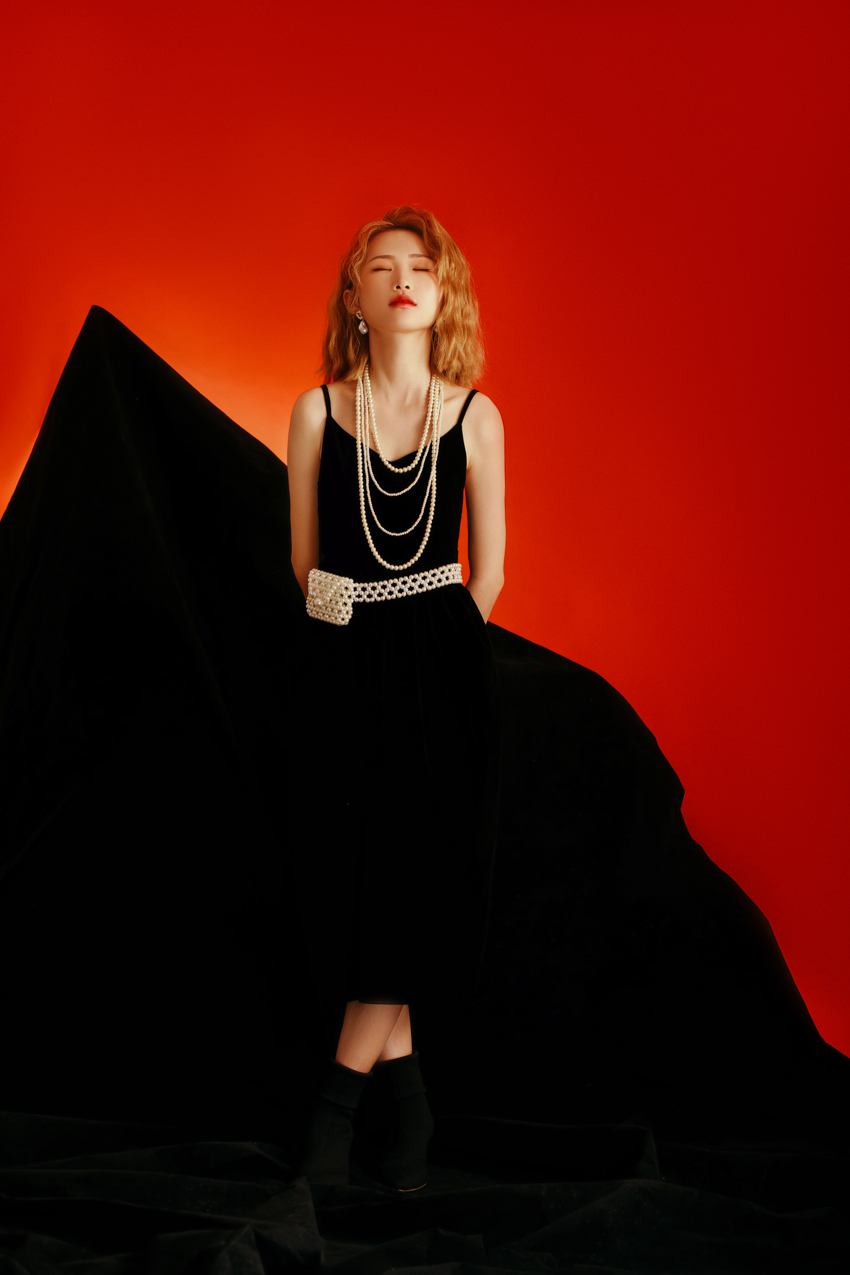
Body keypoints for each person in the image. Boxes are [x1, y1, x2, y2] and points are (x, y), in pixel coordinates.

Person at [285, 206, 505, 1191]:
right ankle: (410, 1110)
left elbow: (488, 573)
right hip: (342, 666)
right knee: (374, 887)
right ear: (355, 298)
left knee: (411, 880)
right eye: (381, 267)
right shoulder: (315, 411)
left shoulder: (476, 416)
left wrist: (437, 653)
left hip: (442, 668)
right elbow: (305, 562)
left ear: (442, 292)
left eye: (421, 266)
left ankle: (333, 1114)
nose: (403, 279)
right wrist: (357, 627)